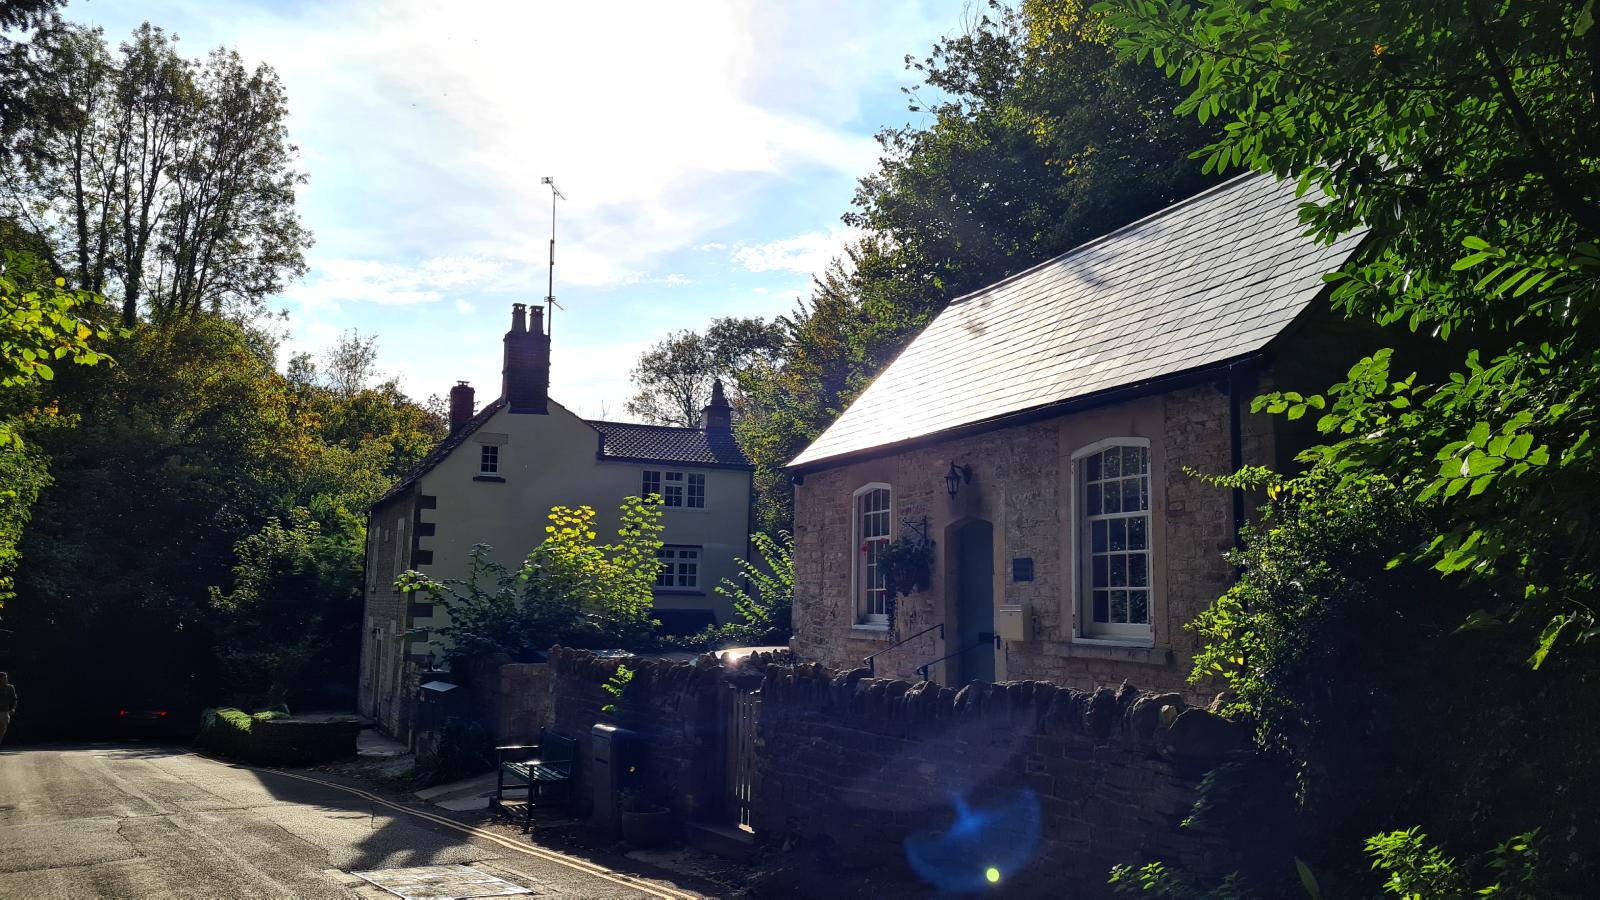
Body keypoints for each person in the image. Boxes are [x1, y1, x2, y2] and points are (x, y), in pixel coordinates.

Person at [0, 672, 16, 745]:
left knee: (2, 731)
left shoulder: (10, 688)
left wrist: (13, 708)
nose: (5, 679)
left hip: (5, 712)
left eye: (6, 678)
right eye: (3, 678)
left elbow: (14, 699)